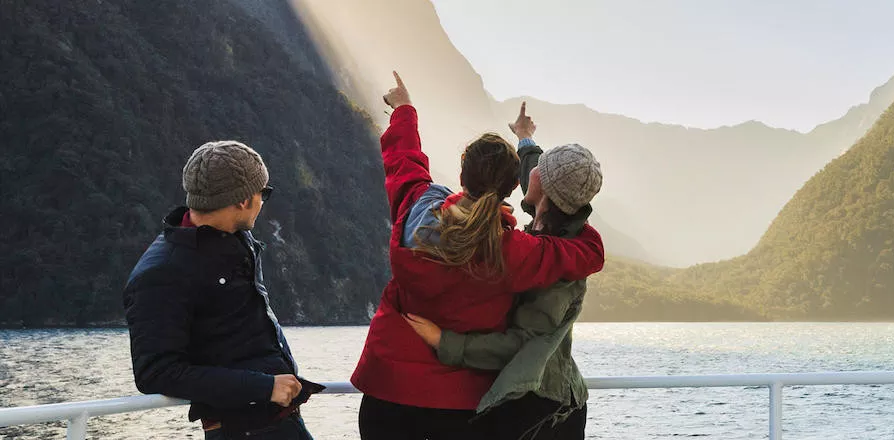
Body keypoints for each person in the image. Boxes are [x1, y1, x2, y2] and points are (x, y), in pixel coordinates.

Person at [351, 73, 606, 440]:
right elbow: (585, 251)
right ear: (513, 186)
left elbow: (404, 162)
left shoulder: (417, 207)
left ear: (461, 171)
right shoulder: (515, 251)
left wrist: (404, 111)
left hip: (386, 396)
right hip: (458, 407)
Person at [123, 141, 320, 440]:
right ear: (242, 200)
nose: (264, 202)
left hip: (281, 421)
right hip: (241, 430)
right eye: (263, 193)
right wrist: (264, 387)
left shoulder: (240, 239)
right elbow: (156, 372)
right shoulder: (161, 272)